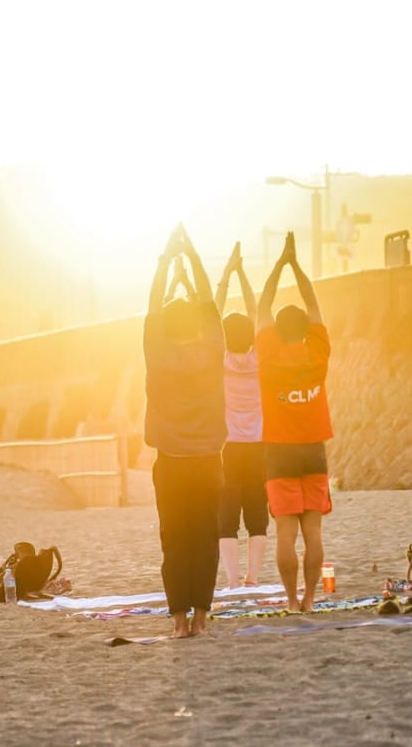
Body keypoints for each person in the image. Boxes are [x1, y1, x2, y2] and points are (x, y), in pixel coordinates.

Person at [144, 225, 227, 638]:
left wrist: (166, 260)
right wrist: (192, 258)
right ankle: (200, 618)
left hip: (171, 464)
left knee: (174, 542)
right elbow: (210, 304)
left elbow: (153, 306)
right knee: (206, 540)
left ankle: (178, 622)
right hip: (209, 462)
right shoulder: (212, 352)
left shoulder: (156, 353)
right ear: (193, 325)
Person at [257, 232, 333, 613]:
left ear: (277, 330)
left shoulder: (267, 353)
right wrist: (297, 264)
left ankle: (289, 599)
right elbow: (314, 302)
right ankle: (310, 598)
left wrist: (278, 265)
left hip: (279, 453)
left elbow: (262, 305)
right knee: (313, 532)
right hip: (313, 450)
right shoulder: (318, 351)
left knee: (285, 534)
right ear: (305, 329)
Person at [214, 242, 267, 589]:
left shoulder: (220, 360)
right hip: (259, 445)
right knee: (257, 514)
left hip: (228, 447)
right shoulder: (261, 358)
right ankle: (252, 578)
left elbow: (212, 317)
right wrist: (243, 275)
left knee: (227, 515)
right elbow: (258, 312)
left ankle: (233, 581)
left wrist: (227, 274)